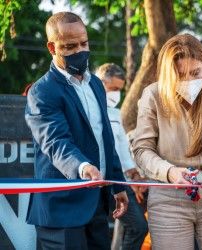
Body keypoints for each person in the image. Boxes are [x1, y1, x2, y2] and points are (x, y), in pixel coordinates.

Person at [24, 12, 129, 249]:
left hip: (97, 207)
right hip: (61, 210)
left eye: (84, 43)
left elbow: (105, 140)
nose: (80, 51)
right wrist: (82, 168)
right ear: (52, 47)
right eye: (70, 46)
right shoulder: (42, 92)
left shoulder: (96, 85)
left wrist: (118, 185)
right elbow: (55, 142)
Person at [132, 33, 202, 250]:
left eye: (195, 73)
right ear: (167, 74)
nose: (189, 81)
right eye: (180, 75)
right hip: (167, 198)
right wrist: (170, 172)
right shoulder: (152, 96)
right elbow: (142, 149)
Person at [95, 63, 148, 250]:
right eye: (114, 89)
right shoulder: (89, 110)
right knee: (135, 227)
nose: (116, 94)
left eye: (119, 89)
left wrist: (133, 174)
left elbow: (122, 148)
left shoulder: (116, 113)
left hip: (122, 180)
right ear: (101, 83)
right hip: (101, 179)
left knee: (134, 226)